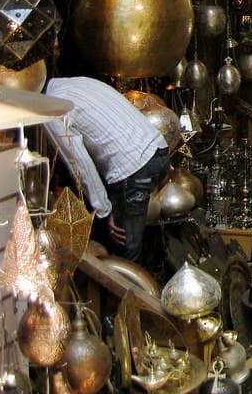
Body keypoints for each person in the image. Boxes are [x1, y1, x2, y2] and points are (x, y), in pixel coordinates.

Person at [42, 77, 171, 266]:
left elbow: (79, 164)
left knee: (125, 260)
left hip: (132, 167)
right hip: (157, 149)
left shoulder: (51, 108)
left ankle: (138, 293)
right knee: (136, 245)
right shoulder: (72, 83)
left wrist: (103, 209)